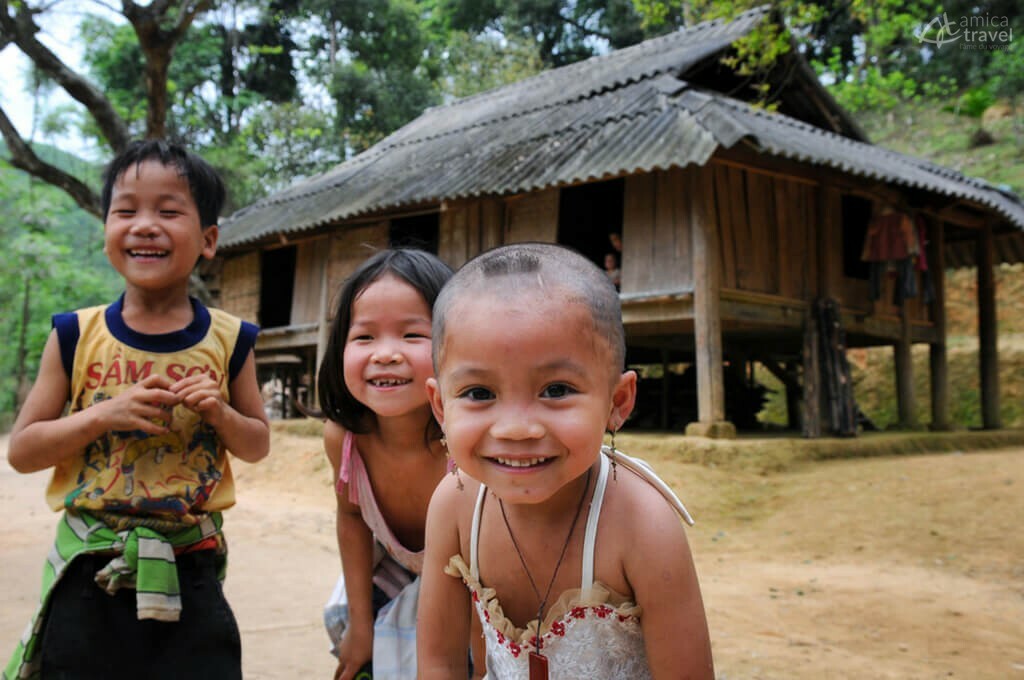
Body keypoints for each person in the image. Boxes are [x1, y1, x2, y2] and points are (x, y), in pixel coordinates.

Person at [4, 139, 270, 680]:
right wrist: (105, 414)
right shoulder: (76, 335)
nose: (144, 225)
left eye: (169, 211)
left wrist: (220, 413)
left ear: (209, 239)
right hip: (89, 568)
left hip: (190, 565)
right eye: (125, 210)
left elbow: (257, 443)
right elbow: (23, 451)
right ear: (106, 231)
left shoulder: (229, 339)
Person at [418, 243, 714, 679]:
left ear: (618, 401)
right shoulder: (455, 505)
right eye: (479, 393)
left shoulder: (642, 525)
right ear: (441, 407)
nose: (516, 429)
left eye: (556, 390)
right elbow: (440, 663)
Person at [318, 248, 456, 680]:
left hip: (479, 587)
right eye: (364, 338)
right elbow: (352, 519)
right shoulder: (345, 440)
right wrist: (361, 628)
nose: (385, 354)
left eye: (412, 335)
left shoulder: (465, 445)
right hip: (395, 574)